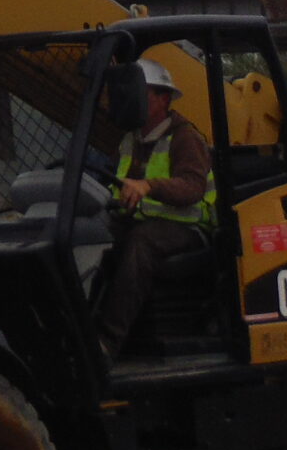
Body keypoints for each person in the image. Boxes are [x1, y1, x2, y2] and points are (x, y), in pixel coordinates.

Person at [93, 58, 216, 363]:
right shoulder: (131, 140)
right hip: (144, 221)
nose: (130, 101)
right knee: (91, 235)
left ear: (163, 99)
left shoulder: (185, 138)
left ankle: (107, 342)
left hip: (189, 228)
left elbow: (192, 187)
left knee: (141, 243)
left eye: (140, 94)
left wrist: (149, 186)